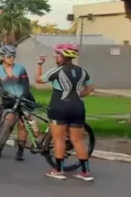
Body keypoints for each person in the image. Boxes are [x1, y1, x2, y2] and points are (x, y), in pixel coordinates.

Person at [36, 43, 95, 181]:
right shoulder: (82, 71)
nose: (55, 57)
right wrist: (79, 95)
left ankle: (58, 170)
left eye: (56, 55)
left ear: (62, 56)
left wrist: (39, 65)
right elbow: (90, 87)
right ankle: (85, 172)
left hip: (59, 107)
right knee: (78, 141)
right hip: (78, 108)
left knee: (59, 139)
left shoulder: (57, 71)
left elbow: (38, 80)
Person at [0, 45, 33, 160]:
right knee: (7, 124)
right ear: (3, 57)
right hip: (9, 99)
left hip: (24, 99)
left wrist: (23, 97)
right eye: (9, 56)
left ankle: (20, 150)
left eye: (13, 56)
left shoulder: (20, 68)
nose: (12, 58)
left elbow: (26, 85)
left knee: (22, 124)